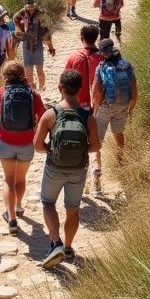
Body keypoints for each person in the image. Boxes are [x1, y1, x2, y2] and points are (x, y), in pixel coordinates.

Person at [34, 69, 100, 268]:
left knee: (48, 203)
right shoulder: (88, 116)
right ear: (80, 89)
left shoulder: (50, 114)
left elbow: (37, 145)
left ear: (59, 88)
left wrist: (52, 151)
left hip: (54, 167)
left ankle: (55, 243)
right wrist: (80, 151)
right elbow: (96, 146)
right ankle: (69, 247)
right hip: (78, 170)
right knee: (73, 210)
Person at [0, 61, 46, 234]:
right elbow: (43, 116)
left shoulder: (0, 93)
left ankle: (12, 217)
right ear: (24, 76)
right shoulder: (32, 94)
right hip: (26, 143)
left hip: (6, 143)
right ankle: (19, 205)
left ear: (4, 77)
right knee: (20, 180)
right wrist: (39, 138)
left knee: (8, 180)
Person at [90, 38, 137, 195]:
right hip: (122, 106)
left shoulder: (101, 66)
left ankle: (97, 177)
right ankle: (121, 165)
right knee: (119, 135)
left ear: (102, 52)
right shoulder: (126, 65)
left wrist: (94, 110)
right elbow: (134, 91)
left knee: (97, 142)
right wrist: (130, 109)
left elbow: (96, 91)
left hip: (104, 107)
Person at [13, 0, 55, 90]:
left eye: (32, 6)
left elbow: (46, 32)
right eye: (29, 6)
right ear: (25, 6)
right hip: (26, 46)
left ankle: (42, 89)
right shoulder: (20, 15)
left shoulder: (41, 14)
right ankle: (32, 91)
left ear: (35, 5)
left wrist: (50, 47)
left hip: (38, 45)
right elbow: (16, 26)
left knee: (40, 69)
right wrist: (19, 32)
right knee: (28, 71)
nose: (31, 8)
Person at [64, 25, 104, 109]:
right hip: (98, 103)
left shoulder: (74, 57)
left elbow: (64, 81)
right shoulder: (103, 57)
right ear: (96, 38)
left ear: (82, 38)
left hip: (77, 104)